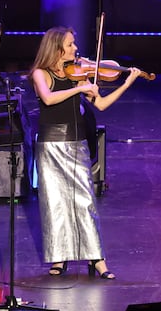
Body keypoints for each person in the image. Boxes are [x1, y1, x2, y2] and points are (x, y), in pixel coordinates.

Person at [30, 26, 142, 279]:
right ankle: (59, 257)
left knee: (85, 202)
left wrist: (127, 82)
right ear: (57, 47)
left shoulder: (79, 75)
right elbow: (48, 99)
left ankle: (97, 259)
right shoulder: (40, 73)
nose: (76, 49)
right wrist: (79, 89)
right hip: (50, 145)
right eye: (70, 45)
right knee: (54, 203)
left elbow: (101, 104)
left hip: (77, 142)